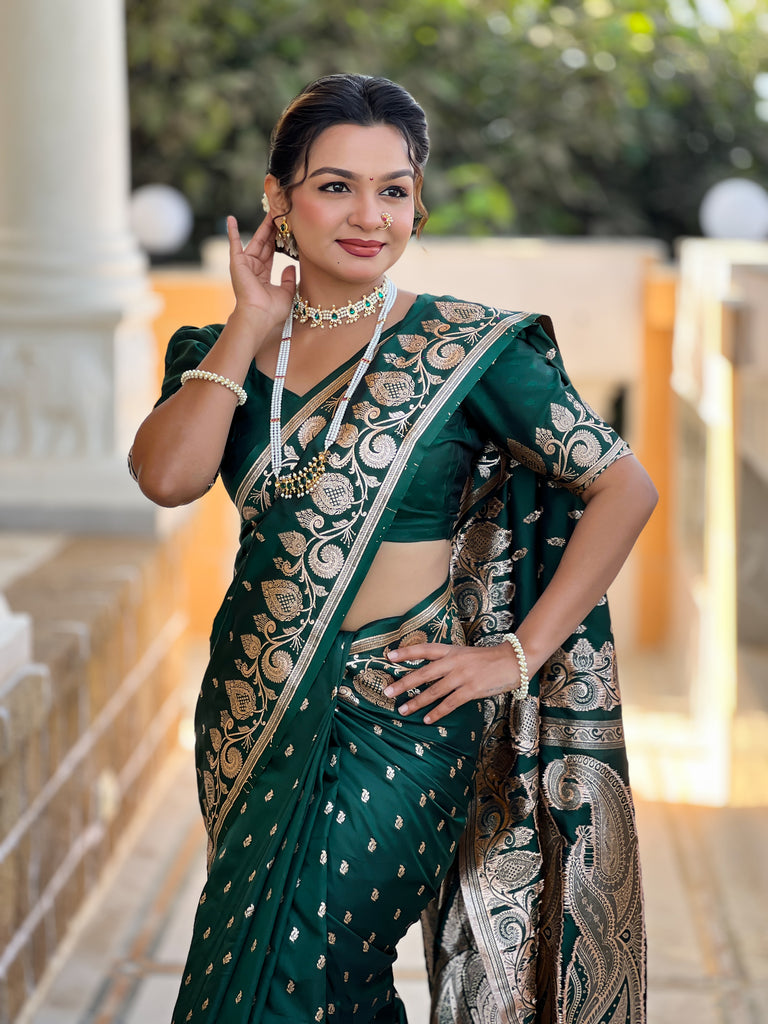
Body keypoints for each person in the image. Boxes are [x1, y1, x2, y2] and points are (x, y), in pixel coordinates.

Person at [130, 73, 656, 1024]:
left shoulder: (468, 351)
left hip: (403, 715)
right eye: (335, 186)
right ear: (277, 200)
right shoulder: (223, 349)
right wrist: (251, 320)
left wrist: (517, 653)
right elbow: (167, 476)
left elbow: (624, 484)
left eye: (394, 189)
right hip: (257, 703)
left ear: (416, 200)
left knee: (320, 965)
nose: (369, 215)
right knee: (249, 968)